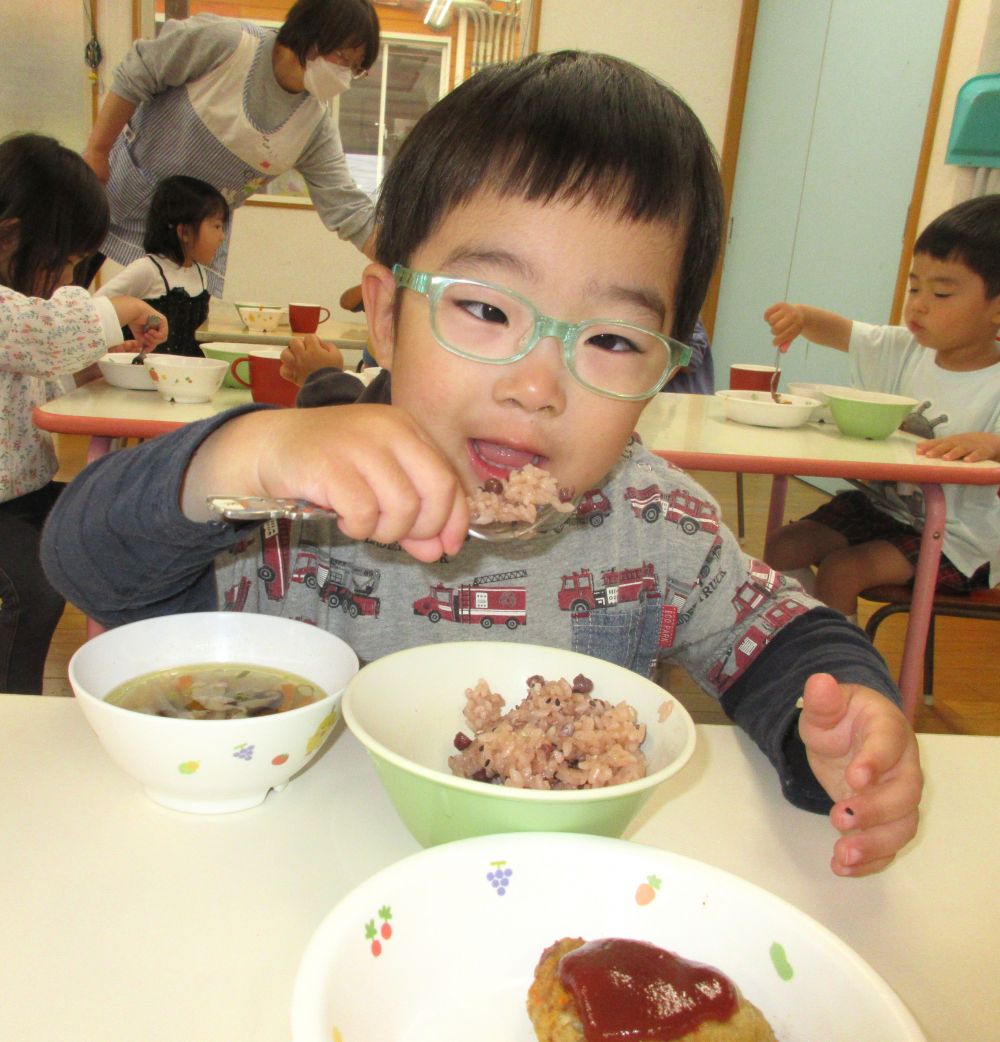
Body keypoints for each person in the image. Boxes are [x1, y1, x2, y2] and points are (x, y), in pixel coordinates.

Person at [43, 52, 921, 877]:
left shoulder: (658, 521)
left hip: (553, 898)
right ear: (386, 315)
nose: (538, 384)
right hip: (294, 875)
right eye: (487, 311)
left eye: (612, 338)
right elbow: (83, 560)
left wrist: (842, 720)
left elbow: (778, 640)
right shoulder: (284, 499)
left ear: (667, 365)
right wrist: (243, 452)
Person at [762, 194, 1000, 618]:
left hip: (960, 541)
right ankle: (814, 635)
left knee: (842, 571)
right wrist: (801, 316)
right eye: (914, 287)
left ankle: (843, 673)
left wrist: (993, 444)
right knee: (783, 545)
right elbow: (840, 332)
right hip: (883, 510)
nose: (919, 303)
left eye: (942, 293)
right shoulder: (905, 348)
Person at [0, 133, 168, 694]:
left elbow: (38, 368)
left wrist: (95, 367)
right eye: (66, 263)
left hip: (21, 494)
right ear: (12, 237)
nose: (71, 281)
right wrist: (117, 308)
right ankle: (14, 715)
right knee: (28, 589)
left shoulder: (19, 315)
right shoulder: (15, 314)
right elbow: (44, 335)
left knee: (106, 524)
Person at [78, 0, 380, 294]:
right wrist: (98, 151)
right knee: (58, 293)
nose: (345, 76)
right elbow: (139, 70)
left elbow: (347, 206)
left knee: (172, 334)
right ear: (313, 33)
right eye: (344, 58)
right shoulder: (227, 43)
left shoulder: (314, 126)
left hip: (191, 243)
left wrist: (404, 265)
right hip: (123, 195)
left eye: (356, 68)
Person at [95, 176, 229, 357]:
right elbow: (95, 308)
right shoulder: (147, 269)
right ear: (185, 232)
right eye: (217, 226)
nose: (222, 237)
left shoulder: (200, 273)